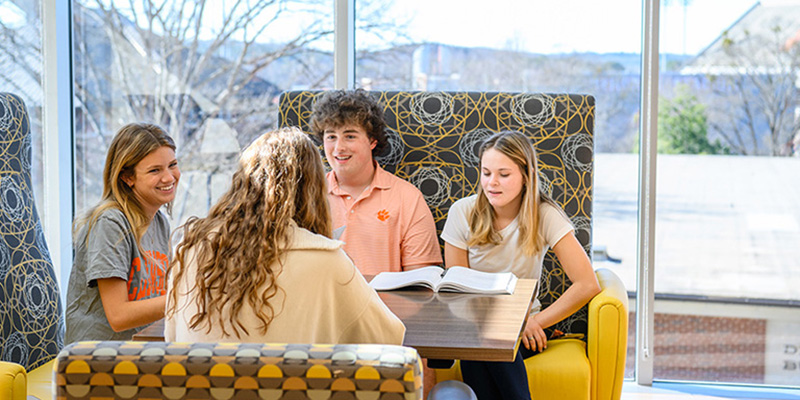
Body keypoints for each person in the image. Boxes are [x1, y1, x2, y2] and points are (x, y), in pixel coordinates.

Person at [165, 127, 405, 344]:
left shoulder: (189, 250)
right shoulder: (327, 262)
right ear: (312, 191)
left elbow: (173, 337)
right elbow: (388, 338)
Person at [441, 130, 601, 400]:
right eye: (486, 172)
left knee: (489, 348)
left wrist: (532, 321)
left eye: (504, 174)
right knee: (482, 344)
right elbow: (459, 290)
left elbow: (587, 284)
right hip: (474, 325)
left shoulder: (545, 214)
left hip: (525, 328)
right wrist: (500, 323)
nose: (492, 183)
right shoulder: (462, 212)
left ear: (526, 176)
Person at [65, 123, 180, 344]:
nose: (169, 177)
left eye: (172, 165)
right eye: (155, 170)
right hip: (95, 359)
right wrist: (186, 299)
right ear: (128, 177)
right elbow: (119, 316)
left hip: (137, 351)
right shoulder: (110, 224)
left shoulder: (160, 222)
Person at [310, 89, 442, 275]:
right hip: (322, 302)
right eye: (331, 137)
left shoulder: (407, 198)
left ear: (372, 141)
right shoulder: (307, 196)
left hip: (386, 304)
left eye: (350, 136)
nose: (338, 148)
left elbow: (421, 283)